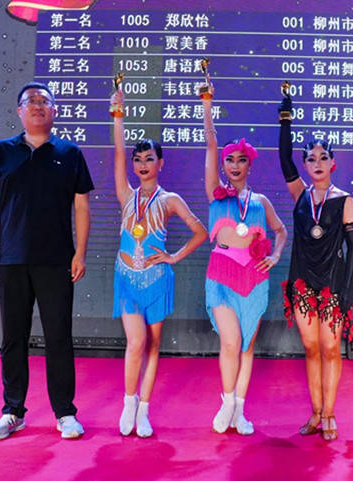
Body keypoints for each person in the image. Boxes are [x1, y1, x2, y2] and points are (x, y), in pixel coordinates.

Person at [0, 82, 93, 440]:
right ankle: (12, 411)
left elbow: (81, 207)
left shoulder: (70, 153)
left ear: (55, 111)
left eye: (45, 101)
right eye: (31, 101)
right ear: (19, 111)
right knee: (13, 337)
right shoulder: (1, 152)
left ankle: (65, 412)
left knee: (58, 336)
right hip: (11, 259)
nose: (38, 106)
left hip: (56, 260)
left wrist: (80, 252)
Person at [109, 91, 207, 437]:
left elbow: (200, 231)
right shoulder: (126, 194)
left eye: (149, 159)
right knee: (135, 342)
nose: (142, 164)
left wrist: (174, 257)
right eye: (138, 159)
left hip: (156, 280)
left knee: (152, 345)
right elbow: (118, 153)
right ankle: (129, 402)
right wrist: (118, 114)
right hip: (126, 278)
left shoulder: (170, 200)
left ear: (160, 163)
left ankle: (144, 409)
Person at [201, 84, 287, 435]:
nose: (234, 165)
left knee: (248, 345)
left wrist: (275, 255)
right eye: (229, 160)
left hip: (254, 277)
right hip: (221, 274)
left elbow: (281, 231)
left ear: (249, 164)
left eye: (241, 160)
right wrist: (207, 105)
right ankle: (227, 403)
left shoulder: (261, 201)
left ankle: (239, 409)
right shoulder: (216, 194)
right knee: (231, 342)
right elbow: (210, 144)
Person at [277, 94, 353, 441]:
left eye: (323, 157)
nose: (317, 163)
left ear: (333, 163)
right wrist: (285, 118)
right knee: (311, 349)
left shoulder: (345, 201)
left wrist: (347, 290)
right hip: (301, 282)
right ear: (305, 165)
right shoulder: (300, 194)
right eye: (310, 158)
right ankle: (314, 412)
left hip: (332, 285)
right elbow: (284, 159)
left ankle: (329, 414)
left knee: (330, 348)